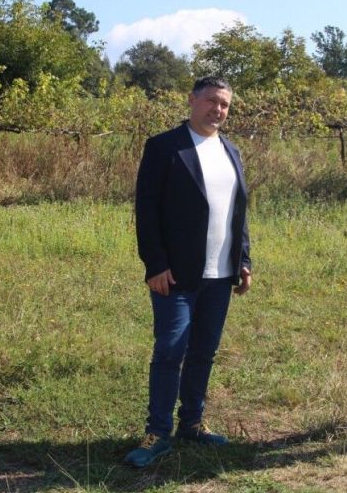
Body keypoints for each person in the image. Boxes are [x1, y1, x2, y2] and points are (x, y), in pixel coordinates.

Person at [126, 76, 252, 468]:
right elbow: (146, 210)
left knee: (203, 351)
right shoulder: (165, 147)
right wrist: (156, 264)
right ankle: (157, 432)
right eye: (212, 101)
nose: (218, 109)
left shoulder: (231, 151)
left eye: (225, 104)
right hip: (175, 274)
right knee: (170, 351)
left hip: (220, 273)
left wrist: (243, 259)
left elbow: (238, 212)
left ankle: (192, 423)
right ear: (192, 100)